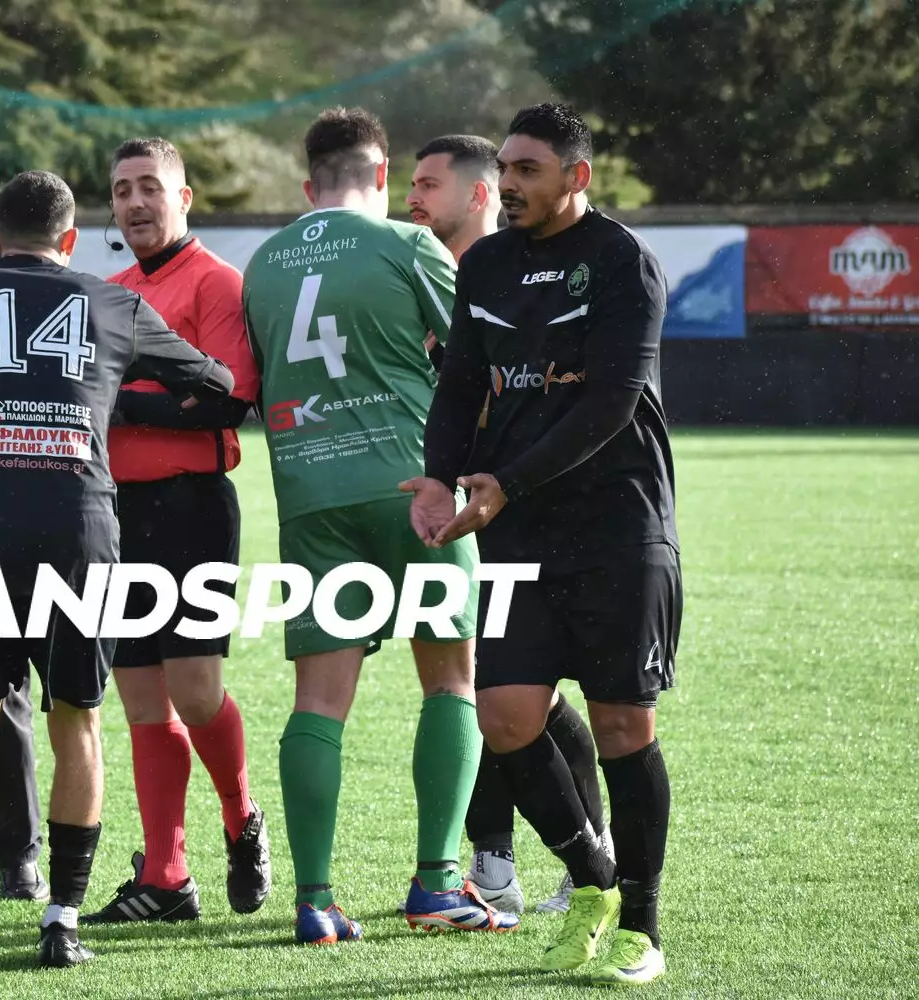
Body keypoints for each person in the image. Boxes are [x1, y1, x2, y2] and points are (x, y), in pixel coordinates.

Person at [0, 169, 234, 970]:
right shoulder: (113, 302)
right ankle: (61, 920)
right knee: (78, 720)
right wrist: (116, 400)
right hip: (80, 528)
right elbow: (215, 382)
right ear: (71, 240)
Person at [404, 103, 679, 986]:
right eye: (506, 170)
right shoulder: (485, 263)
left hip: (619, 527)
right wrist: (440, 478)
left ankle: (642, 925)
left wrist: (506, 481)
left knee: (622, 725)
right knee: (506, 716)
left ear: (576, 176)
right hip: (519, 529)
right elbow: (460, 383)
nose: (511, 185)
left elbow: (610, 403)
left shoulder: (623, 262)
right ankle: (595, 882)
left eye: (529, 169)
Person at [240, 106, 518, 946]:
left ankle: (314, 901)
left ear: (309, 185)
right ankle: (437, 884)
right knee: (451, 681)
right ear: (384, 174)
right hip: (412, 488)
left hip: (309, 495)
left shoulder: (262, 263)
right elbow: (482, 359)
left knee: (318, 701)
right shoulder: (408, 244)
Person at [407, 134, 611, 916]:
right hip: (463, 504)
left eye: (429, 185)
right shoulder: (431, 271)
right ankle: (501, 861)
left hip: (534, 504)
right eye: (411, 184)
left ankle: (552, 861)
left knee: (505, 689)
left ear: (479, 195)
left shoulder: (526, 271)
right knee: (494, 688)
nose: (413, 199)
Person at [82, 137, 270, 926]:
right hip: (117, 514)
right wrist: (156, 394)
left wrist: (125, 399)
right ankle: (166, 876)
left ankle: (241, 817)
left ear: (183, 197)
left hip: (193, 508)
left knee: (195, 692)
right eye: (122, 189)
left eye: (149, 187)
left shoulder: (217, 283)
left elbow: (226, 400)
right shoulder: (109, 292)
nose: (134, 202)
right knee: (140, 702)